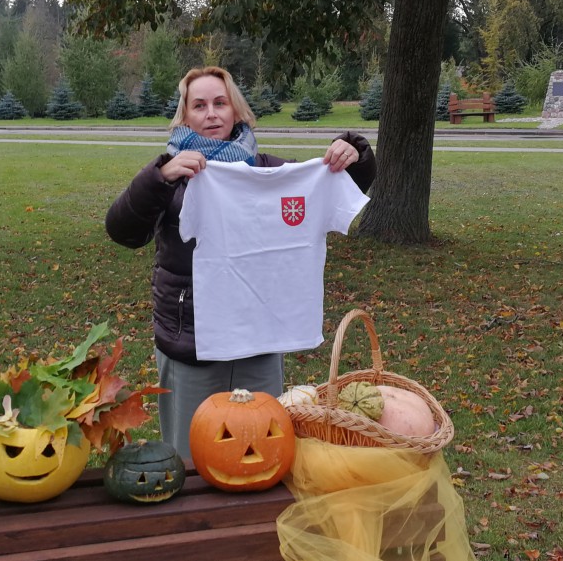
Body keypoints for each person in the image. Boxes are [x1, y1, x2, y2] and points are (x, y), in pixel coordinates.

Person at [106, 66, 376, 457]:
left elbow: (334, 185)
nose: (211, 113)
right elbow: (122, 231)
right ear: (185, 116)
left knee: (260, 449)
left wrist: (354, 151)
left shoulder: (267, 171)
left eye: (220, 103)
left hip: (259, 338)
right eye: (199, 105)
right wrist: (158, 178)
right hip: (191, 341)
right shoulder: (172, 173)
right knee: (190, 454)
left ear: (236, 111)